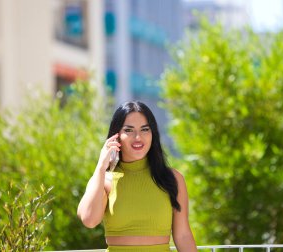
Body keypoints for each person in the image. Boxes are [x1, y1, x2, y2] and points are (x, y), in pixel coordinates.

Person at [77, 101, 197, 252]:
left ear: (153, 133)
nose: (138, 137)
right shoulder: (104, 179)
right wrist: (101, 166)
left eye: (145, 129)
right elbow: (89, 220)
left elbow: (183, 236)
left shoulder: (172, 178)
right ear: (116, 136)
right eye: (129, 130)